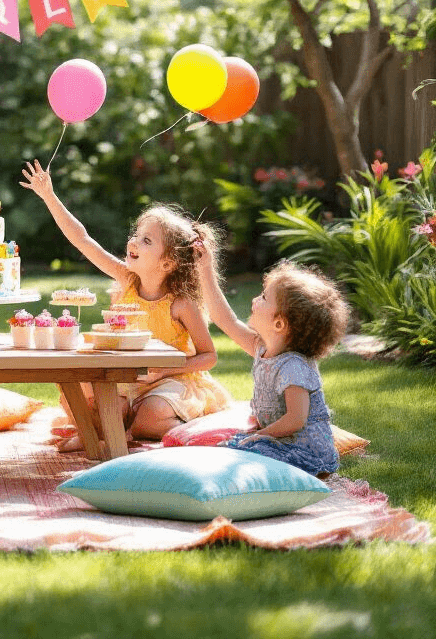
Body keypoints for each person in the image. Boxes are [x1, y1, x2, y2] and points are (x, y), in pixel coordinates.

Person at [20, 160, 231, 448]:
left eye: (146, 240)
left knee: (150, 419)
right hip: (125, 379)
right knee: (85, 399)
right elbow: (82, 240)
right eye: (137, 235)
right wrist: (49, 196)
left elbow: (209, 356)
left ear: (167, 262)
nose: (134, 241)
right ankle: (107, 431)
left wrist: (165, 371)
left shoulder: (181, 305)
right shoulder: (126, 280)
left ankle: (138, 430)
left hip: (170, 382)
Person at [195, 251, 349, 475]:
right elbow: (224, 319)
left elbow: (296, 419)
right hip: (277, 441)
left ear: (279, 324)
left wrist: (261, 435)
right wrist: (206, 269)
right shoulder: (262, 348)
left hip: (303, 451)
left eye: (264, 298)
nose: (254, 300)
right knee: (229, 452)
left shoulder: (293, 366)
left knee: (237, 455)